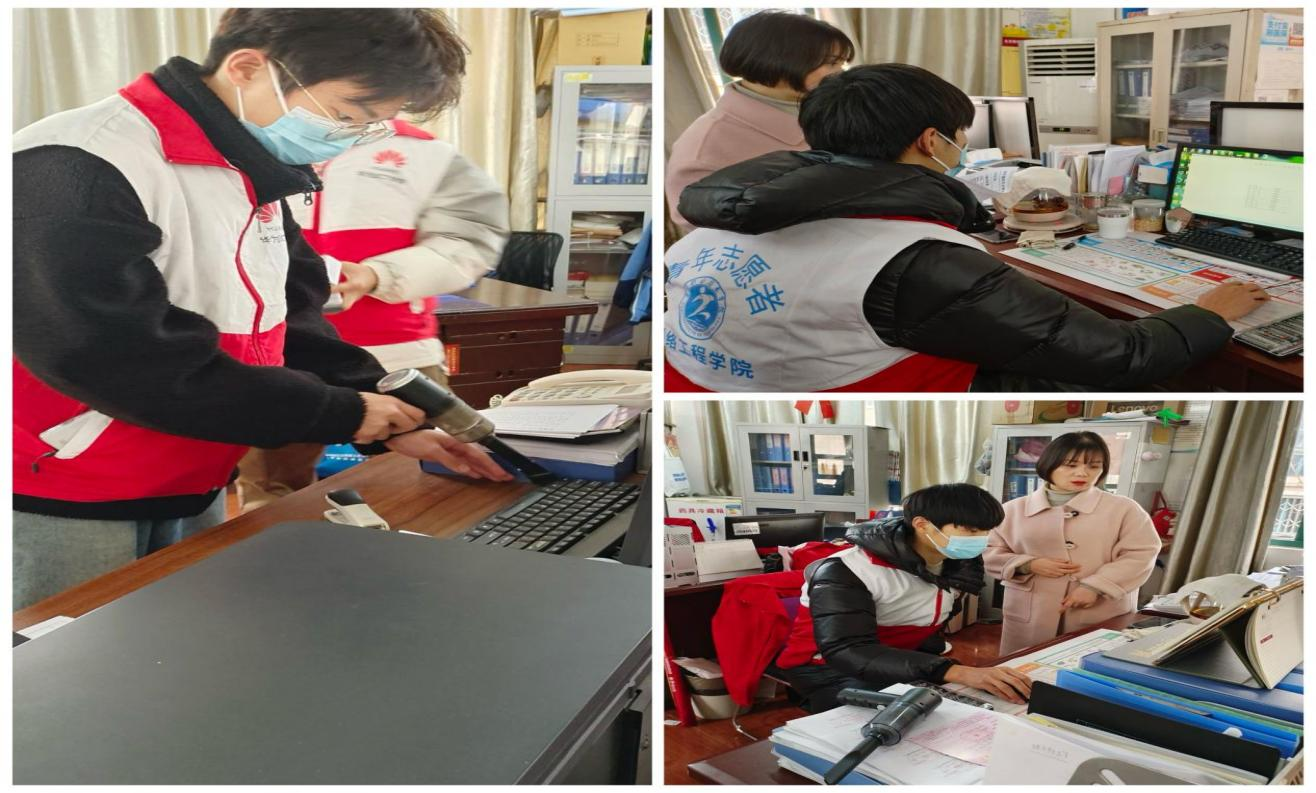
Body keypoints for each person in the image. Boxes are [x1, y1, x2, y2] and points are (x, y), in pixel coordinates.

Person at [12, 9, 512, 610]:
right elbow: (114, 357)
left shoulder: (247, 166)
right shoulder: (78, 164)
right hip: (67, 486)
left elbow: (292, 320)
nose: (349, 137)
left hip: (192, 467)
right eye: (345, 115)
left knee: (174, 640)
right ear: (248, 68)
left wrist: (395, 415)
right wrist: (342, 412)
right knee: (64, 654)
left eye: (370, 125)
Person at [664, 64, 1269, 393]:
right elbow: (1120, 356)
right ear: (933, 141)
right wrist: (1209, 313)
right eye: (959, 134)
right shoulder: (918, 260)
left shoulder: (714, 225)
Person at [236, 123, 511, 511]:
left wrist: (379, 275)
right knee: (271, 494)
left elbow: (472, 240)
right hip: (279, 351)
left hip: (398, 355)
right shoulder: (255, 142)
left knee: (419, 488)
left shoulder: (427, 152)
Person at [772, 484, 1033, 713]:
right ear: (922, 524)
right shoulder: (847, 570)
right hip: (828, 668)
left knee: (972, 707)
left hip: (898, 656)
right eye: (971, 530)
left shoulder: (957, 561)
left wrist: (939, 667)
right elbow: (847, 649)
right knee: (901, 725)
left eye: (986, 531)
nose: (980, 540)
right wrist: (949, 670)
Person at [665, 11, 852, 232]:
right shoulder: (704, 150)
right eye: (831, 63)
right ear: (779, 60)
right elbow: (704, 232)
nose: (840, 73)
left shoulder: (828, 106)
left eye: (841, 63)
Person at [985, 432, 1161, 656]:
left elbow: (1141, 554)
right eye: (1071, 465)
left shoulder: (1124, 509)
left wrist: (1095, 586)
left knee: (1089, 668)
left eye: (1093, 466)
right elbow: (989, 551)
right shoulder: (1012, 510)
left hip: (1099, 610)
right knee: (1024, 667)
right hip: (1031, 611)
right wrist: (1027, 564)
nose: (1082, 473)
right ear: (1049, 464)